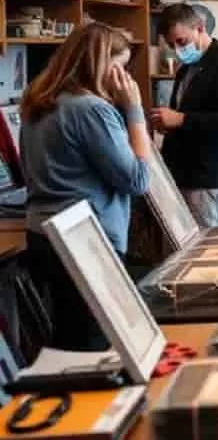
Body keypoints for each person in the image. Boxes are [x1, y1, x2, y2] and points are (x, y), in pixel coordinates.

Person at [19, 22, 152, 351]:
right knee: (92, 344)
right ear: (99, 64)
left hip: (43, 234)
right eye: (119, 67)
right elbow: (137, 179)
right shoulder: (92, 109)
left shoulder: (38, 102)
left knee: (67, 337)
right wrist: (134, 109)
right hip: (86, 239)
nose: (124, 78)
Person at [150, 3, 218, 228]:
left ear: (200, 28)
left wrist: (181, 119)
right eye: (171, 45)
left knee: (212, 247)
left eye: (182, 41)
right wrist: (170, 124)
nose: (177, 50)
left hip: (212, 180)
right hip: (188, 176)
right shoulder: (187, 68)